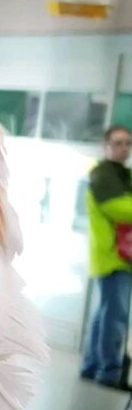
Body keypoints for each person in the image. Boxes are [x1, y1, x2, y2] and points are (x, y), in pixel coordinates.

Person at [83, 125, 132, 390]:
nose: (123, 148)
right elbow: (121, 210)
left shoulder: (121, 175)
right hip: (113, 256)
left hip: (114, 256)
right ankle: (109, 372)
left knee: (105, 315)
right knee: (116, 316)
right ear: (106, 146)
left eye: (127, 143)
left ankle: (92, 367)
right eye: (117, 143)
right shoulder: (105, 175)